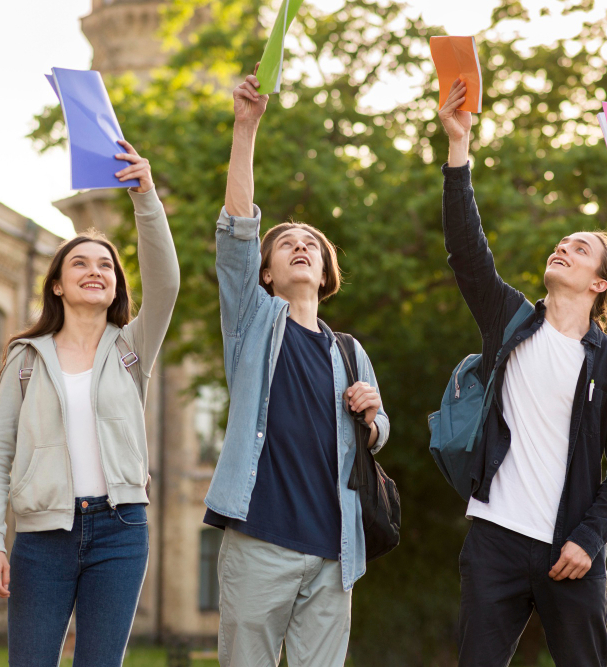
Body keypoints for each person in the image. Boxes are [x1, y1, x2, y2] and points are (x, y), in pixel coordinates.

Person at [438, 78, 607, 667]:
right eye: (561, 243)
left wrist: (589, 537)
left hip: (569, 550)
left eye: (580, 249)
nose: (563, 249)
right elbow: (466, 250)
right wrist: (459, 151)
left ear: (600, 282)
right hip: (494, 540)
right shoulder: (510, 322)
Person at [203, 68, 390, 667]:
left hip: (336, 551)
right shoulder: (253, 322)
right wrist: (245, 128)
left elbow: (380, 436)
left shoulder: (349, 351)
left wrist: (372, 415)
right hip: (260, 540)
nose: (301, 245)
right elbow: (236, 232)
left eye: (312, 242)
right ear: (265, 273)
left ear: (326, 270)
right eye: (286, 243)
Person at [0, 140, 179, 665]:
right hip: (43, 538)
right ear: (59, 286)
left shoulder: (133, 349)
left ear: (115, 287)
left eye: (107, 266)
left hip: (122, 529)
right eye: (81, 263)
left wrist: (145, 197)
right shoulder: (25, 358)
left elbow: (166, 283)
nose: (96, 270)